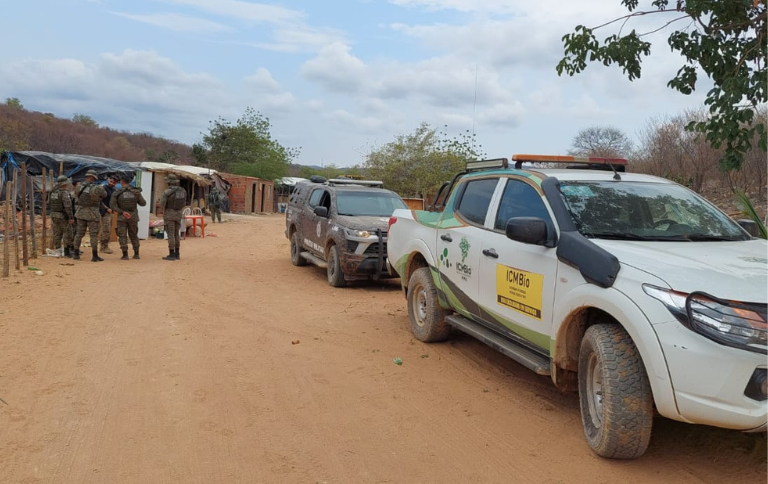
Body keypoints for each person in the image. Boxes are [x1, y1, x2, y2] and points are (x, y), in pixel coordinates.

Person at [72, 170, 107, 262]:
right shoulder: (97, 188)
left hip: (80, 212)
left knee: (79, 234)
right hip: (93, 213)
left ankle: (75, 254)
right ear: (93, 178)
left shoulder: (78, 186)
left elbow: (75, 196)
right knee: (94, 235)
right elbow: (104, 195)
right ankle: (94, 256)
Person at [111, 174, 147, 260]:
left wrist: (122, 212)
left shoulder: (117, 192)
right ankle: (136, 254)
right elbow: (143, 203)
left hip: (122, 216)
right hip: (133, 216)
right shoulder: (136, 192)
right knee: (134, 235)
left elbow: (112, 205)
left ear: (121, 182)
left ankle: (125, 255)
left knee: (122, 235)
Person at [158, 174, 187, 261]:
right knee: (176, 234)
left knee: (170, 234)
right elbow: (184, 203)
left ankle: (171, 254)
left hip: (169, 214)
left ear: (169, 182)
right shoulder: (183, 191)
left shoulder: (166, 192)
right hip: (178, 214)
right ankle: (177, 254)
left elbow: (161, 205)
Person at [49, 175, 75, 257]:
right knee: (68, 233)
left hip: (53, 214)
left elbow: (49, 202)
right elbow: (67, 206)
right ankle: (67, 252)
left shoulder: (53, 191)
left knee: (57, 233)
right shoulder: (64, 192)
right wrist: (70, 217)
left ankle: (58, 249)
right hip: (62, 216)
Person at [99, 175, 118, 254]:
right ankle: (103, 247)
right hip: (104, 212)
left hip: (110, 212)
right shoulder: (103, 188)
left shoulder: (114, 190)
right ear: (108, 180)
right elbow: (100, 201)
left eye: (114, 182)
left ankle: (105, 245)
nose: (112, 183)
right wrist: (107, 208)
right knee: (106, 229)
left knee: (109, 229)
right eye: (111, 180)